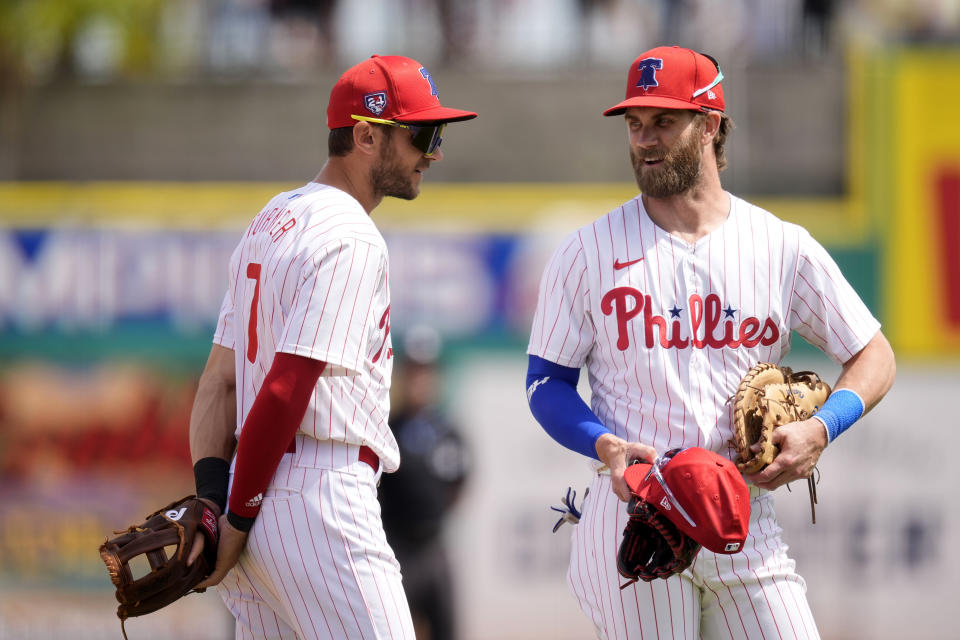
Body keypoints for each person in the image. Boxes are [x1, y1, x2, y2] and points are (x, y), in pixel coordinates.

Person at [525, 45, 895, 639]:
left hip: (741, 516)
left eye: (664, 122)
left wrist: (822, 428)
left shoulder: (779, 246)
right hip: (638, 518)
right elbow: (546, 381)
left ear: (710, 126)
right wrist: (602, 444)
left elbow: (873, 355)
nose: (644, 139)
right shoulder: (586, 252)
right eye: (636, 123)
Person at [184, 54, 476, 639]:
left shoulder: (273, 219)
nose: (434, 152)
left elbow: (218, 382)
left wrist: (216, 503)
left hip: (255, 489)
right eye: (421, 134)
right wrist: (235, 517)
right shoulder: (351, 236)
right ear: (367, 136)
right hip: (318, 501)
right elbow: (286, 386)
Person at [378, 326, 470, 640]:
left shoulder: (448, 431)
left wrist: (433, 517)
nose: (420, 379)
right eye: (414, 371)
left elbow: (461, 480)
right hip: (396, 549)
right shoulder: (388, 429)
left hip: (434, 546)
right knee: (394, 630)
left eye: (426, 371)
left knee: (447, 629)